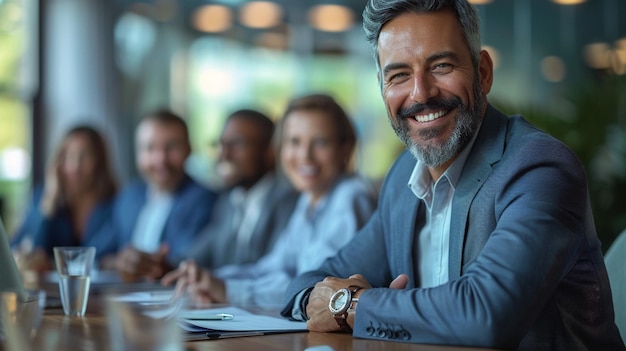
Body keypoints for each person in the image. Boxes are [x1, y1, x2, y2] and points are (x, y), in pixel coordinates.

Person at [279, 1, 625, 351]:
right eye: (398, 75)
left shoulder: (539, 168)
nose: (420, 93)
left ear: (483, 72)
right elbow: (309, 282)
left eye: (441, 66)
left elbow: (486, 313)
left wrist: (353, 305)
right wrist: (323, 299)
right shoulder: (402, 177)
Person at [162, 94, 378, 308]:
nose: (305, 155)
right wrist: (208, 278)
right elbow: (272, 268)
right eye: (294, 141)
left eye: (320, 142)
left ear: (345, 148)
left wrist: (228, 289)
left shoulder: (350, 197)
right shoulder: (310, 199)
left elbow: (314, 289)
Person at [103, 109, 218, 282]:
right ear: (138, 154)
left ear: (189, 149)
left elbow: (192, 258)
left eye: (171, 147)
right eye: (150, 148)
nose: (160, 160)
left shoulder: (205, 201)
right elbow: (100, 252)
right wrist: (118, 262)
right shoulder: (130, 196)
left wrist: (156, 266)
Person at [188, 109, 299, 269]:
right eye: (221, 145)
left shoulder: (289, 201)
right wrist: (158, 265)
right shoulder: (228, 200)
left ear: (270, 151)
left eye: (237, 144)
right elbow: (198, 255)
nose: (224, 155)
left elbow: (275, 273)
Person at [11, 125, 118, 271]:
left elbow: (106, 257)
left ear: (99, 162)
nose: (75, 166)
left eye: (85, 156)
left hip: (103, 292)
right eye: (67, 156)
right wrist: (49, 199)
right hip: (48, 292)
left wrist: (53, 265)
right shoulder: (44, 197)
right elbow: (24, 248)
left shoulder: (115, 204)